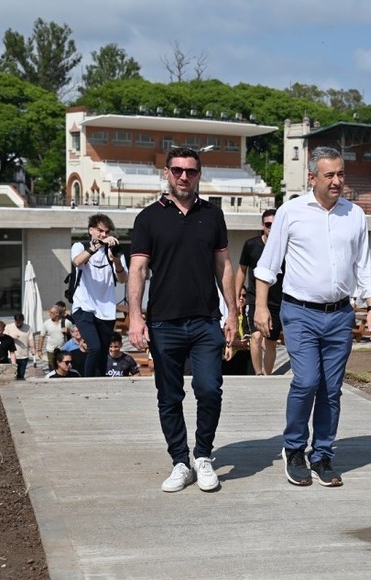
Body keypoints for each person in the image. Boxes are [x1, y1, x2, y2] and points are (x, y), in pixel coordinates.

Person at [254, 146, 371, 488]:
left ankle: (322, 454)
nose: (337, 181)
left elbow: (363, 264)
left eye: (341, 174)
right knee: (307, 380)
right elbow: (268, 265)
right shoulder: (290, 212)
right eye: (330, 175)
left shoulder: (355, 214)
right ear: (312, 178)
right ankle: (294, 449)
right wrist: (261, 306)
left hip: (340, 314)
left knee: (330, 390)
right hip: (300, 313)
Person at [128, 146, 237, 494]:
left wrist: (233, 312)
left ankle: (202, 455)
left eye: (191, 171)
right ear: (166, 173)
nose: (184, 177)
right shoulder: (148, 218)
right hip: (163, 323)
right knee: (169, 396)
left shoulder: (213, 216)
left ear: (199, 174)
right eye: (177, 170)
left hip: (206, 320)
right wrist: (135, 316)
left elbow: (224, 266)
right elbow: (138, 269)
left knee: (209, 389)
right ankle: (180, 461)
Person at [71, 213, 128, 377]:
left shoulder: (114, 252)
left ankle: (101, 382)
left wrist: (116, 260)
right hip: (84, 306)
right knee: (94, 346)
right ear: (91, 230)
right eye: (100, 231)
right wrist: (96, 246)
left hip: (106, 309)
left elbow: (123, 278)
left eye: (107, 232)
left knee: (103, 350)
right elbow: (77, 262)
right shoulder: (80, 246)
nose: (104, 235)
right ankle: (87, 382)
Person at [234, 208, 283, 375]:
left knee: (270, 342)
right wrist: (236, 295)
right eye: (268, 224)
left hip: (277, 301)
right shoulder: (251, 245)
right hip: (255, 299)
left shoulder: (285, 247)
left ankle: (267, 375)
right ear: (262, 225)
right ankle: (258, 374)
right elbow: (241, 270)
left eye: (275, 225)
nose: (271, 228)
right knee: (255, 337)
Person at [40, 306, 72, 372]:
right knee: (52, 368)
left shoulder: (66, 322)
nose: (49, 314)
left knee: (63, 367)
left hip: (63, 349)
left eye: (51, 312)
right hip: (51, 350)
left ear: (57, 313)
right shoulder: (46, 323)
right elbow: (41, 337)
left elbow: (75, 334)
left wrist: (68, 331)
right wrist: (39, 350)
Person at [6, 313, 36, 380]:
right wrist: (11, 337)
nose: (19, 324)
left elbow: (31, 339)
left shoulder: (28, 327)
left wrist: (32, 347)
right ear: (15, 321)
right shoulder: (8, 327)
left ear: (23, 320)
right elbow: (3, 338)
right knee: (12, 376)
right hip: (11, 356)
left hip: (24, 355)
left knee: (21, 376)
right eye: (17, 323)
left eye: (20, 322)